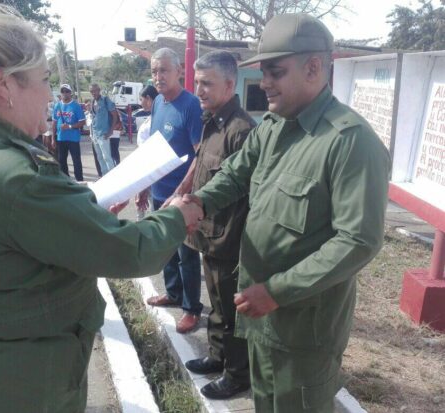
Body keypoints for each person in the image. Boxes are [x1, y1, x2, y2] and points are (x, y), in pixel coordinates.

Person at [0, 2, 203, 412]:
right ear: (4, 84)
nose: (50, 94)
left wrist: (80, 213)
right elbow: (126, 251)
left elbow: (8, 242)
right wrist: (177, 217)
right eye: (44, 80)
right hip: (21, 383)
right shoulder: (14, 176)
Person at [184, 13, 390, 412]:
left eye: (275, 72)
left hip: (302, 330)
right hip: (261, 316)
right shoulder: (275, 126)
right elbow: (236, 172)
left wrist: (277, 292)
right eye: (263, 72)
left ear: (313, 67)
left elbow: (358, 241)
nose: (264, 84)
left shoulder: (349, 141)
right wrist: (199, 202)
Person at [176, 51, 255, 399]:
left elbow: (242, 189)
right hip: (209, 234)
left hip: (230, 238)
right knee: (217, 306)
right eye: (197, 82)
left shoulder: (242, 130)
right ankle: (218, 356)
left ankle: (238, 375)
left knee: (231, 308)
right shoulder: (213, 120)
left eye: (206, 83)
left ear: (229, 84)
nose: (199, 90)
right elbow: (202, 165)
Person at [140, 47, 204, 334]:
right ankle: (173, 293)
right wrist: (144, 185)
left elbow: (199, 155)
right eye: (154, 71)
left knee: (187, 254)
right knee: (166, 249)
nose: (158, 76)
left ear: (180, 71)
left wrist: (180, 192)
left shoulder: (191, 106)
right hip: (158, 190)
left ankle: (191, 308)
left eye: (164, 70)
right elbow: (154, 149)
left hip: (179, 196)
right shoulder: (158, 104)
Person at [51, 84, 85, 181]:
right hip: (61, 138)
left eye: (67, 91)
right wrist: (53, 138)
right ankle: (66, 181)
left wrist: (70, 126)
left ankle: (80, 181)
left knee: (76, 161)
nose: (65, 93)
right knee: (62, 161)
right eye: (63, 91)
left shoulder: (76, 106)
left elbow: (82, 122)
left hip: (73, 138)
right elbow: (54, 122)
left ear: (70, 93)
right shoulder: (57, 105)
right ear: (60, 93)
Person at [135, 85, 158, 220]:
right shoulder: (152, 117)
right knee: (143, 205)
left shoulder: (155, 119)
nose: (140, 102)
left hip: (148, 166)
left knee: (146, 203)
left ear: (149, 99)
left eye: (141, 99)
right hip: (144, 165)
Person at [89, 83, 118, 175]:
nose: (94, 93)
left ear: (99, 90)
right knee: (100, 158)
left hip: (104, 133)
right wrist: (91, 134)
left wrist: (110, 131)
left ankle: (113, 178)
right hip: (95, 134)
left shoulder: (106, 100)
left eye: (95, 90)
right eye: (91, 91)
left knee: (107, 157)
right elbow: (93, 118)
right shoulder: (92, 102)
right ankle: (105, 177)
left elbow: (115, 116)